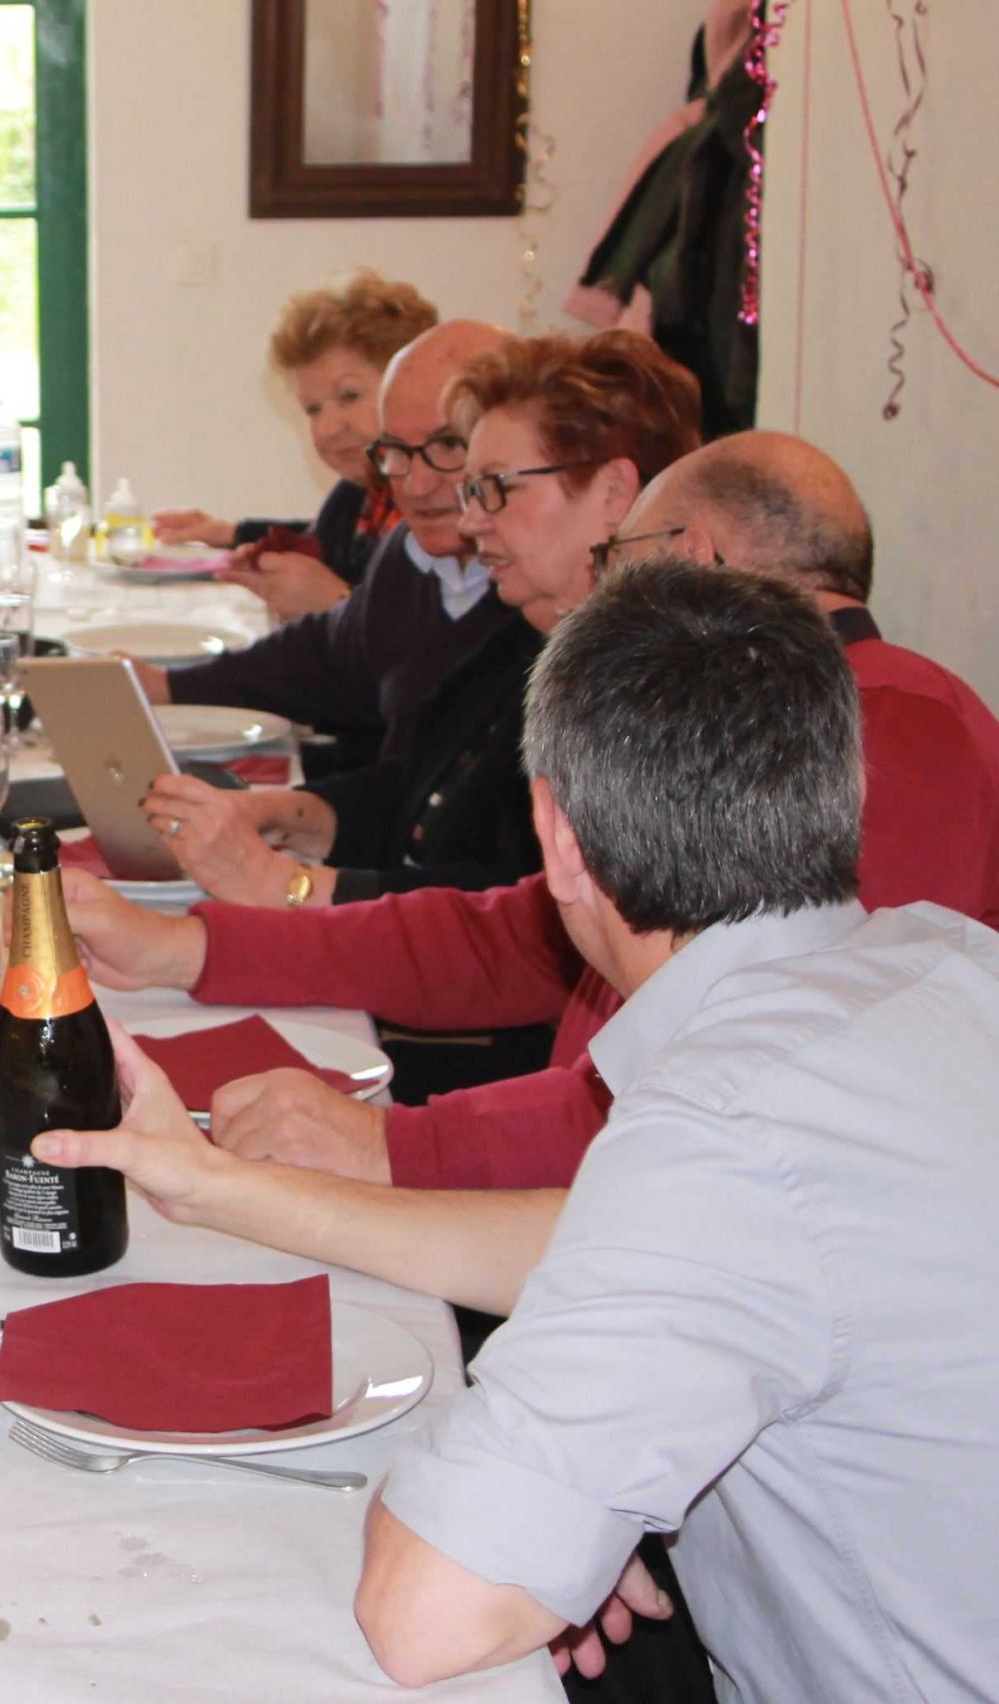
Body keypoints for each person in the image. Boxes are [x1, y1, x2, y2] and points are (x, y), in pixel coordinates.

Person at [48, 564, 999, 1695]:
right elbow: (613, 1245)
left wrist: (538, 1534)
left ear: (557, 838)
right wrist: (220, 1190)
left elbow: (428, 1618)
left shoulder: (724, 1125)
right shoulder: (946, 962)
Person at [62, 429, 999, 1201]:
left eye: (617, 556)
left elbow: (761, 1087)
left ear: (692, 556)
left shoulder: (892, 725)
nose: (602, 587)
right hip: (592, 1195)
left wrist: (395, 1146)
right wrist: (189, 948)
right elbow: (510, 941)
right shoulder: (756, 719)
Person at [142, 330, 701, 908]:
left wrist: (287, 886)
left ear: (613, 492)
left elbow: (523, 921)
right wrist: (281, 812)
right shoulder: (528, 636)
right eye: (472, 490)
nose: (471, 521)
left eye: (495, 488)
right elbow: (416, 789)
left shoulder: (657, 696)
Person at [130, 322, 516, 781]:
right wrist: (168, 685)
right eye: (396, 450)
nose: (416, 485)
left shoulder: (538, 593)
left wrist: (335, 599)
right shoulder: (408, 545)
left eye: (448, 445)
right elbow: (321, 654)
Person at [152, 270, 439, 621]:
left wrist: (336, 603)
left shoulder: (443, 511)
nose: (329, 429)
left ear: (411, 384)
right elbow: (319, 541)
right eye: (313, 410)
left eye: (349, 396)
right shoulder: (356, 496)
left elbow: (434, 642)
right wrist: (231, 534)